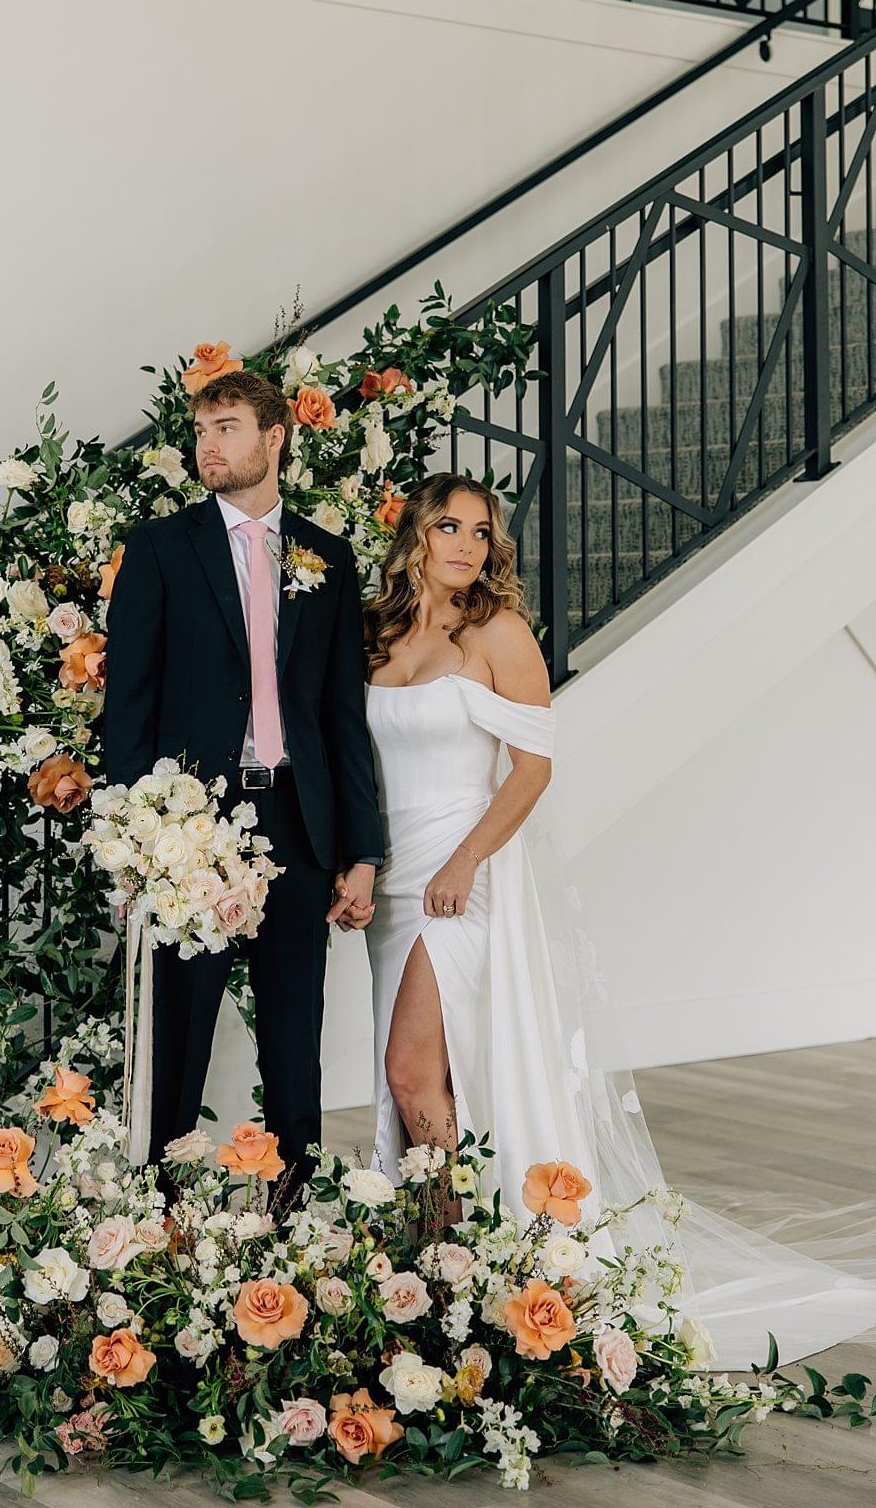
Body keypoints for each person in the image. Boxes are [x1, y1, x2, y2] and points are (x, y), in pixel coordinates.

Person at [340, 469, 876, 1368]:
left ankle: (447, 1259)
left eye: (481, 530)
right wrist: (356, 864)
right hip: (392, 880)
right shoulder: (377, 633)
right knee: (436, 1077)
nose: (467, 544)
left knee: (409, 1070)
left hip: (463, 874)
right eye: (449, 527)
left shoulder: (499, 632)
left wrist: (466, 861)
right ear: (416, 537)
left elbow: (532, 769)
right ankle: (444, 1258)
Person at [102, 369, 383, 1206]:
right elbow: (129, 706)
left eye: (226, 427)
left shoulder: (327, 558)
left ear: (275, 437)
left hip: (298, 819)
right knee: (181, 1030)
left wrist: (363, 851)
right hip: (193, 828)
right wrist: (137, 840)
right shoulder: (160, 549)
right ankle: (163, 1217)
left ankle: (290, 1213)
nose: (209, 446)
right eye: (201, 431)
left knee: (295, 1033)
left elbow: (343, 715)